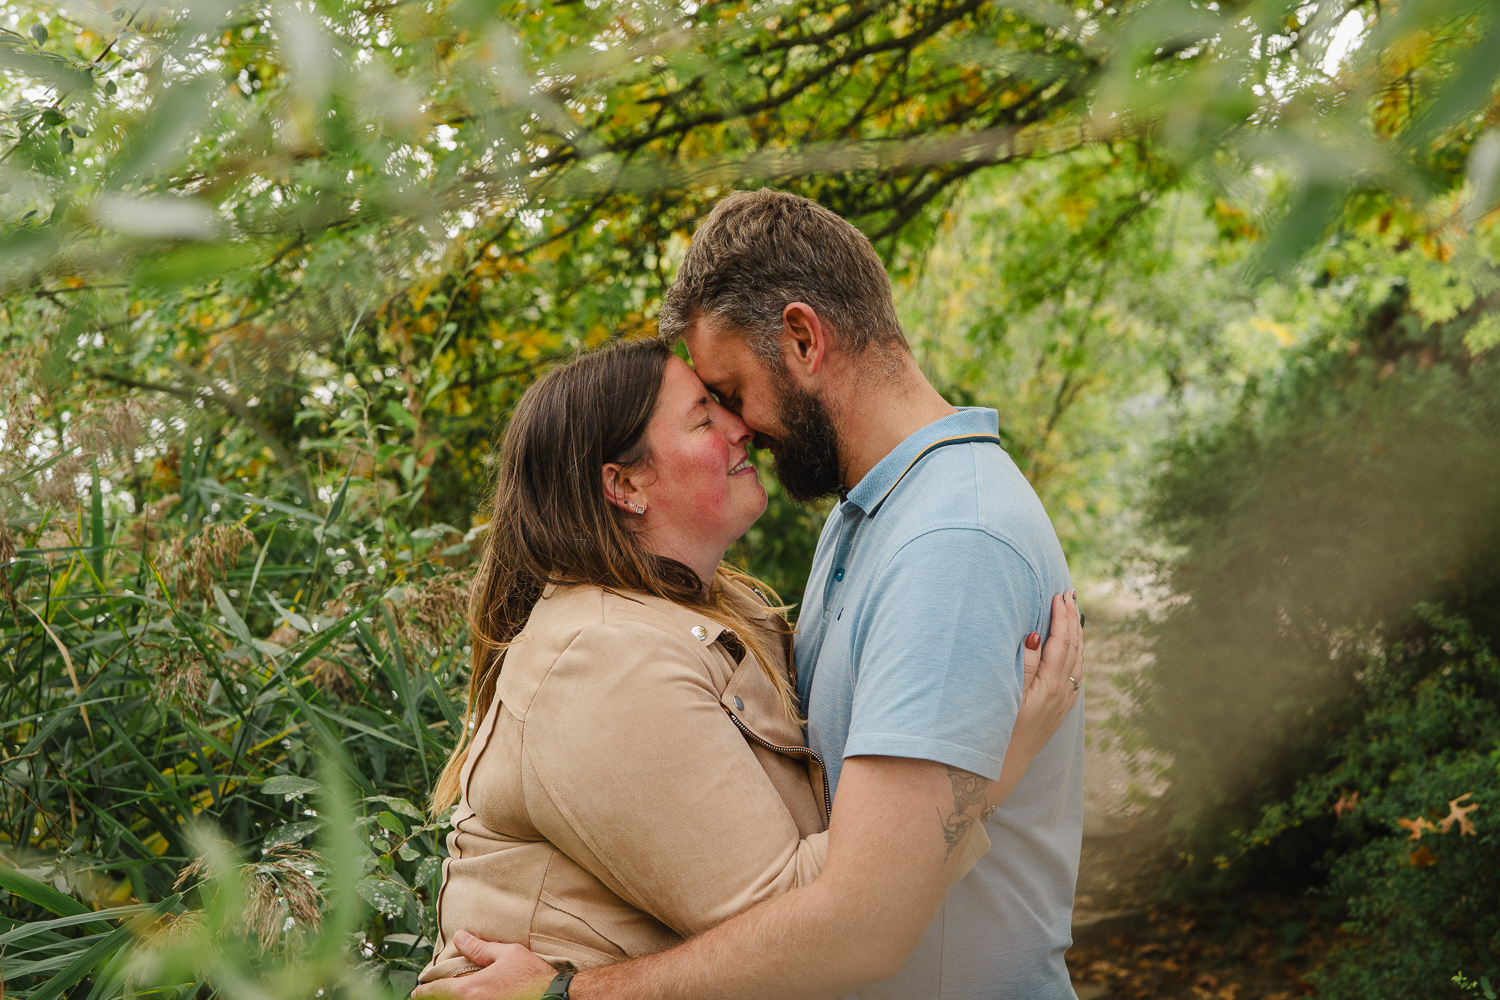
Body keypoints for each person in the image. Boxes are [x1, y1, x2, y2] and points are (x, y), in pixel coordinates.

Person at [415, 189, 1086, 1000]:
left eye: (727, 392)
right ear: (621, 485)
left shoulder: (949, 540)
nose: (740, 429)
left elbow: (854, 919)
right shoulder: (859, 518)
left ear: (803, 338)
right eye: (710, 413)